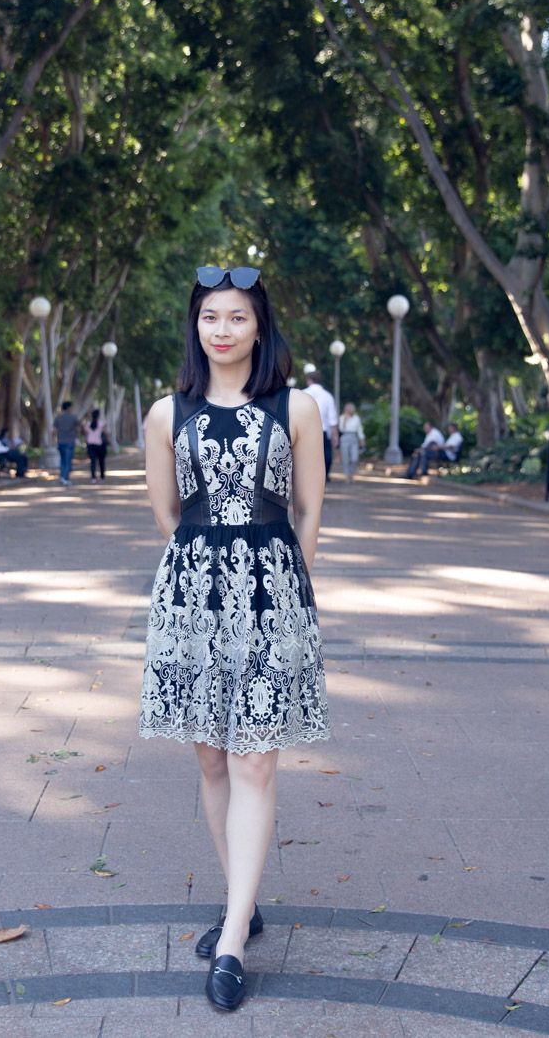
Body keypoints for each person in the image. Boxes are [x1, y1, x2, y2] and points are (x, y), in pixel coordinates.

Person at [139, 264, 328, 1013]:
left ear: (260, 326)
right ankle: (242, 903)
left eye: (237, 317)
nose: (222, 329)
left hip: (270, 591)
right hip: (192, 597)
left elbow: (309, 507)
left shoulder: (298, 406)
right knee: (212, 757)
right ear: (196, 326)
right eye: (210, 316)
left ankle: (229, 945)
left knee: (253, 762)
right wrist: (210, 570)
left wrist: (284, 587)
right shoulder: (164, 413)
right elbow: (166, 514)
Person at [301, 364, 338, 481]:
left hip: (305, 431)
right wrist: (335, 435)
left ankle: (307, 476)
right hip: (323, 430)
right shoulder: (328, 396)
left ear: (308, 380)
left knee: (306, 455)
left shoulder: (302, 394)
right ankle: (324, 475)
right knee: (326, 454)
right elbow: (333, 418)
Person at [53, 400, 81, 486]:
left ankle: (62, 476)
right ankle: (65, 478)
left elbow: (54, 431)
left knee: (62, 460)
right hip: (70, 441)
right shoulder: (73, 417)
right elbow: (78, 429)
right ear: (69, 407)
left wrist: (53, 441)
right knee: (68, 460)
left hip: (61, 441)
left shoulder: (58, 418)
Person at [337, 402, 364, 482]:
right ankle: (347, 475)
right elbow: (341, 429)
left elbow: (359, 429)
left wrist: (362, 439)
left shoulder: (356, 418)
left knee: (354, 458)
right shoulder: (342, 417)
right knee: (345, 458)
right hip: (345, 437)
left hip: (354, 438)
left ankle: (352, 473)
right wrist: (345, 420)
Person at [85, 408, 109, 481]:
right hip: (100, 445)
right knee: (101, 461)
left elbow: (86, 435)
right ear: (98, 415)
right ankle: (102, 477)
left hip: (90, 445)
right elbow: (106, 434)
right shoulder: (102, 423)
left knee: (93, 462)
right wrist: (111, 443)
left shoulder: (88, 424)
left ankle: (93, 478)